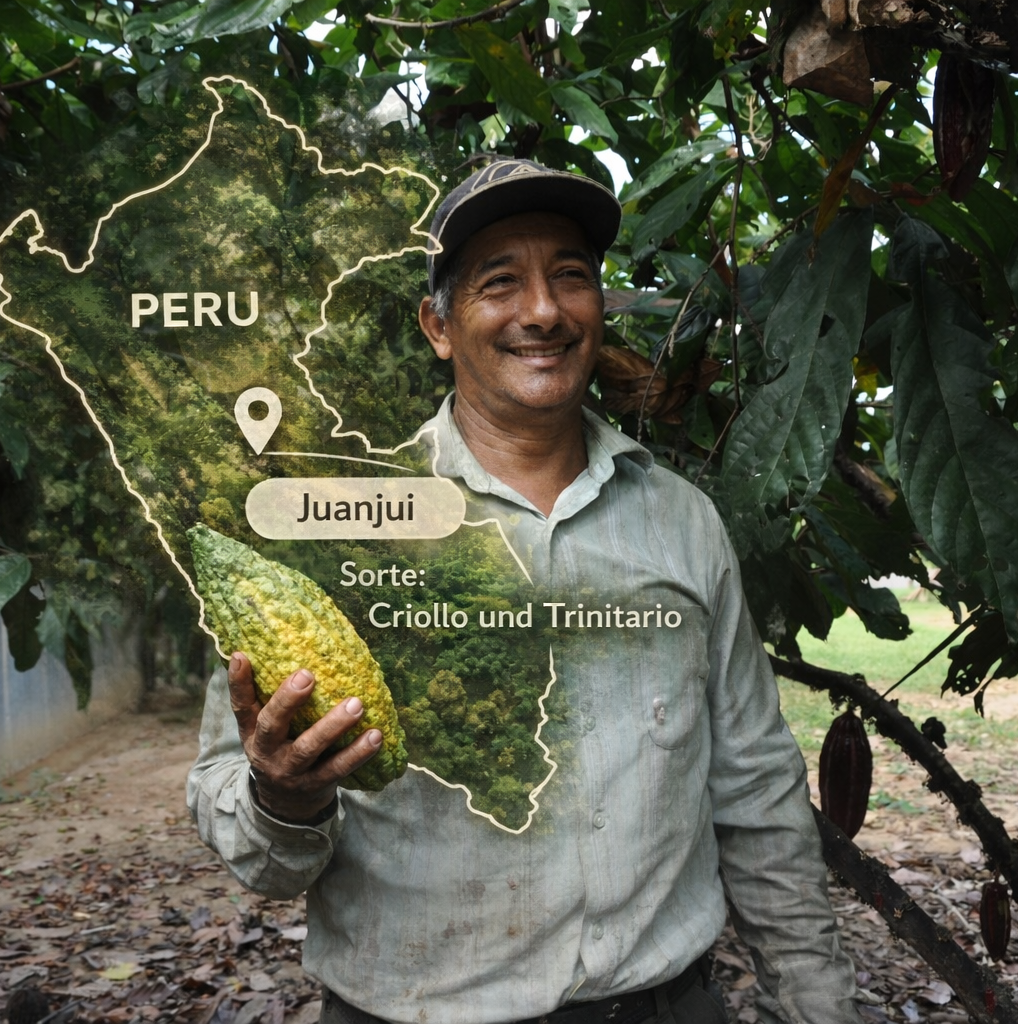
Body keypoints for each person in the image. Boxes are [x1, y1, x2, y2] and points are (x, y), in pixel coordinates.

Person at [188, 158, 863, 1024]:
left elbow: (756, 786)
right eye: (499, 282)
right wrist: (283, 795)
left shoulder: (682, 522)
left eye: (570, 277)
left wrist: (816, 1004)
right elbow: (245, 835)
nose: (543, 311)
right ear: (438, 324)